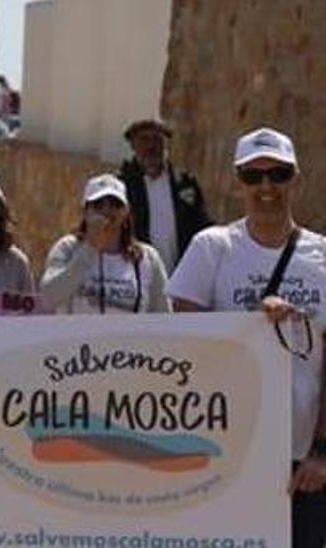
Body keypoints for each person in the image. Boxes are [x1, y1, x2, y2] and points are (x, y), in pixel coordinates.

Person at [165, 128, 326, 547]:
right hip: (226, 451)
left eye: (277, 174)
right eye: (254, 177)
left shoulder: (322, 257)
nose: (266, 186)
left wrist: (322, 451)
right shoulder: (212, 248)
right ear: (239, 182)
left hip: (302, 460)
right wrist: (251, 325)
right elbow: (184, 347)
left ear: (296, 178)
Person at [40, 174, 170, 314]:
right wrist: (90, 248)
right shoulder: (68, 248)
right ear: (85, 212)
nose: (107, 210)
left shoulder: (147, 258)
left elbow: (164, 314)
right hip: (78, 336)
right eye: (98, 204)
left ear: (126, 213)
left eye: (115, 204)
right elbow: (48, 298)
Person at [117, 119, 213, 272]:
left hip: (181, 274)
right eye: (144, 140)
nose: (151, 146)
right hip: (137, 274)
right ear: (133, 146)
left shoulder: (185, 183)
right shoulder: (123, 186)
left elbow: (201, 224)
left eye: (157, 139)